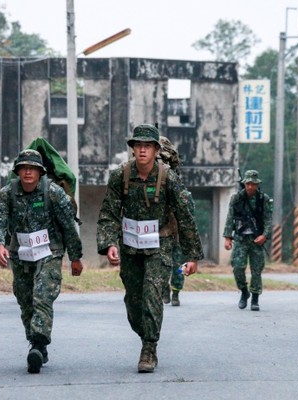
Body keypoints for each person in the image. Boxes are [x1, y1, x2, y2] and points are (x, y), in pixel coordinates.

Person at [96, 124, 204, 373]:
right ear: (133, 149)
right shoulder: (119, 175)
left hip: (160, 245)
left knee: (153, 293)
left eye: (147, 145)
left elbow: (185, 217)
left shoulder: (168, 178)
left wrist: (192, 256)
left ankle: (149, 348)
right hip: (130, 246)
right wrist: (109, 243)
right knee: (134, 303)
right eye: (138, 145)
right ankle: (146, 332)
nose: (142, 150)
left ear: (156, 149)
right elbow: (109, 213)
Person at [0, 149, 84, 374]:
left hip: (50, 252)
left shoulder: (53, 193)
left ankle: (38, 344)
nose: (28, 172)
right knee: (25, 300)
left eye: (32, 168)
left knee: (42, 296)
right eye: (24, 168)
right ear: (18, 171)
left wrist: (76, 258)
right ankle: (35, 341)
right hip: (20, 254)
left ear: (40, 172)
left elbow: (69, 226)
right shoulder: (7, 194)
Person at [223, 170, 273, 311]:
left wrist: (265, 236)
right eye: (248, 184)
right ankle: (244, 292)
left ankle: (255, 298)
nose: (250, 187)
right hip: (240, 239)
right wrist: (228, 237)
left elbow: (268, 220)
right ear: (244, 183)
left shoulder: (264, 199)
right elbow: (230, 218)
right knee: (238, 267)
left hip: (257, 240)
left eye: (253, 184)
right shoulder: (236, 199)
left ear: (257, 185)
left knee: (256, 270)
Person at [158, 135, 192, 307]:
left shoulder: (174, 180)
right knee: (162, 264)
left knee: (178, 265)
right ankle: (164, 290)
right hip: (158, 231)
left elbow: (187, 212)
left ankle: (176, 291)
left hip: (176, 232)